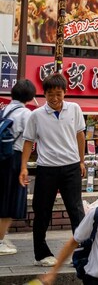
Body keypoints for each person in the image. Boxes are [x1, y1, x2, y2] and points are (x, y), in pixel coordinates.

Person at [20, 74, 88, 266]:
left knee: (76, 210)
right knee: (42, 211)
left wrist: (82, 161)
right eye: (50, 94)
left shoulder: (74, 109)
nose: (55, 98)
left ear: (65, 92)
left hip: (71, 167)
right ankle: (41, 254)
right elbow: (28, 142)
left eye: (59, 94)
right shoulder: (36, 115)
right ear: (44, 94)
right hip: (46, 169)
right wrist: (23, 167)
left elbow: (80, 135)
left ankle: (84, 251)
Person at [0, 79, 36, 255]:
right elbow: (32, 138)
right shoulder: (26, 113)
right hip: (14, 159)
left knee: (3, 196)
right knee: (10, 199)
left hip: (2, 157)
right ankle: (0, 241)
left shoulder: (4, 109)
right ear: (30, 96)